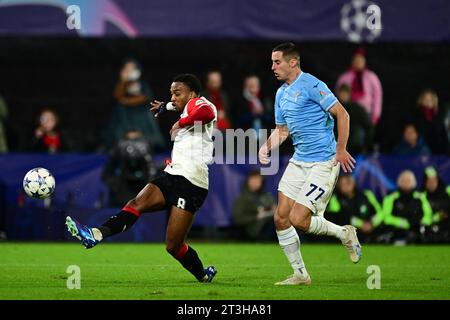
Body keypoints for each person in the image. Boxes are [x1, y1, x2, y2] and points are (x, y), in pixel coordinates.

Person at [66, 74, 218, 283]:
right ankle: (95, 234)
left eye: (177, 93)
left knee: (173, 246)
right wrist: (166, 106)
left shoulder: (202, 103)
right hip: (172, 175)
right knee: (135, 203)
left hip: (192, 183)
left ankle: (202, 274)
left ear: (192, 93)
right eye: (171, 93)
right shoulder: (184, 106)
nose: (173, 97)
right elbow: (177, 107)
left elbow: (206, 113)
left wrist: (180, 123)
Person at [259, 42, 361, 286]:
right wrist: (266, 146)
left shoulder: (313, 85)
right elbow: (282, 131)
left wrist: (341, 149)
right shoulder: (281, 94)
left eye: (277, 61)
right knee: (280, 218)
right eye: (272, 62)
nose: (272, 66)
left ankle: (344, 233)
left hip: (323, 162)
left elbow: (342, 114)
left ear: (293, 62)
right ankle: (301, 275)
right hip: (299, 160)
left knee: (299, 219)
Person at [103, 58, 165, 151]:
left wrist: (126, 101)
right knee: (119, 110)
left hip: (141, 113)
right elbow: (117, 97)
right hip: (126, 115)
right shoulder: (122, 84)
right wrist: (122, 81)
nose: (129, 71)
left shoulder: (142, 84)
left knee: (146, 112)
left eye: (131, 68)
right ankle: (124, 136)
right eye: (126, 68)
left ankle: (143, 137)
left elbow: (145, 98)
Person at [101, 129, 157, 207]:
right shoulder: (120, 146)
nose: (133, 144)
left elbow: (151, 168)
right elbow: (107, 172)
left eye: (136, 139)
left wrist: (149, 186)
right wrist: (116, 186)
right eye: (130, 140)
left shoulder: (145, 146)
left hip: (142, 193)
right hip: (123, 193)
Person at [326, 174, 384, 243]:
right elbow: (337, 218)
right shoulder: (335, 199)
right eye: (342, 185)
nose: (345, 187)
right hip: (349, 233)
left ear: (353, 183)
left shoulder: (367, 195)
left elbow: (381, 213)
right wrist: (360, 224)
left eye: (348, 183)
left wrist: (372, 223)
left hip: (372, 228)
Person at [382, 170, 433, 244]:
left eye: (408, 180)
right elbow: (385, 217)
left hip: (418, 232)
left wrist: (420, 222)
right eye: (403, 180)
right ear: (399, 182)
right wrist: (401, 223)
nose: (406, 183)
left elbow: (428, 215)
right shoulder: (391, 197)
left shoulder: (421, 197)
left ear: (413, 182)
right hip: (397, 233)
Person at [336, 47, 383, 126]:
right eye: (356, 60)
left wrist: (376, 114)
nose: (358, 62)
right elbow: (338, 93)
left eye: (360, 60)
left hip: (365, 112)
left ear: (364, 62)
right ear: (352, 62)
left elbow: (377, 95)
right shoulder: (345, 77)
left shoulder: (371, 76)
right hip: (348, 110)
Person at [232, 169, 276, 241]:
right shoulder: (243, 198)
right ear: (248, 181)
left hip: (272, 226)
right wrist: (256, 217)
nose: (255, 183)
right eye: (253, 180)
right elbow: (237, 219)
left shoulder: (268, 197)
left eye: (257, 180)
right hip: (255, 231)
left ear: (262, 182)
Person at [336, 84, 374, 155]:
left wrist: (366, 146)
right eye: (342, 94)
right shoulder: (333, 110)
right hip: (337, 148)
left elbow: (369, 126)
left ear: (350, 94)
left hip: (355, 149)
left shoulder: (357, 109)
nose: (343, 96)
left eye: (345, 94)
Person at [412, 89, 449, 155]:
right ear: (421, 101)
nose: (428, 101)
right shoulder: (416, 116)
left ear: (434, 101)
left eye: (431, 99)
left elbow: (444, 137)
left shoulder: (439, 116)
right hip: (420, 152)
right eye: (425, 99)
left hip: (439, 154)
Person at [421, 166, 449, 242]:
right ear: (425, 182)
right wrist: (437, 217)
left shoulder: (447, 192)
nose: (432, 183)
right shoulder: (420, 196)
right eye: (429, 181)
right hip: (428, 228)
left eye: (434, 181)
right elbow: (423, 218)